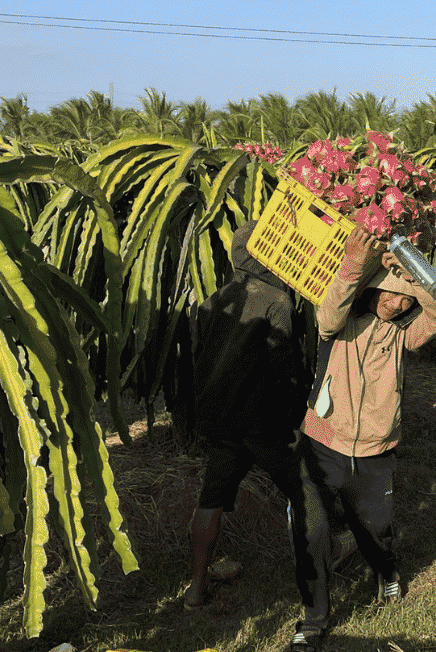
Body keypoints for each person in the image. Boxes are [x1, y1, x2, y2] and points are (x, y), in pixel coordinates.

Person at [287, 226, 436, 652]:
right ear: (371, 289)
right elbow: (326, 315)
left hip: (375, 452)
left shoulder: (402, 335)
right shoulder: (339, 327)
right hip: (322, 444)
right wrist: (353, 266)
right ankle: (314, 619)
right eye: (390, 294)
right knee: (313, 532)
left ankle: (387, 572)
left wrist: (415, 275)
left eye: (405, 300)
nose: (397, 304)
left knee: (375, 528)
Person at [185, 220, 309, 611]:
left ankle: (195, 590)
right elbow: (282, 362)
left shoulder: (213, 299)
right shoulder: (277, 300)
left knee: (212, 498)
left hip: (220, 421)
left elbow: (197, 358)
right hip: (261, 422)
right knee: (305, 488)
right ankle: (325, 560)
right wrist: (298, 413)